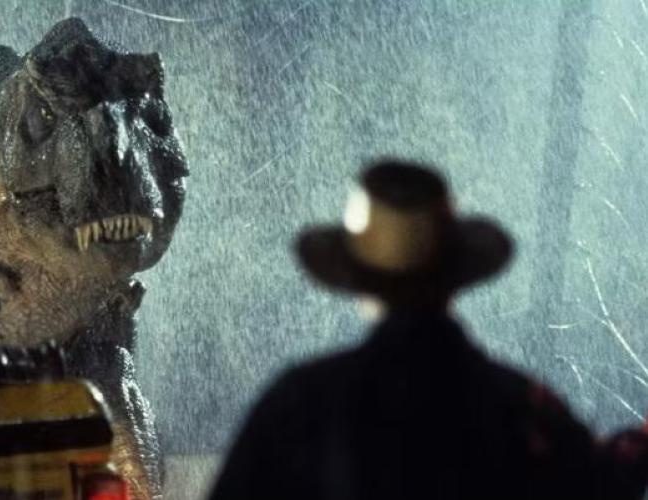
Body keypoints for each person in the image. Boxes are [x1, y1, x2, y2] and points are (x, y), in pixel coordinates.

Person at [207, 159, 648, 499]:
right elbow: (598, 482)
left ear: (359, 281)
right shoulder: (519, 409)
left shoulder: (301, 404)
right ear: (455, 277)